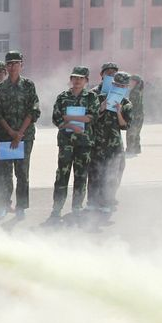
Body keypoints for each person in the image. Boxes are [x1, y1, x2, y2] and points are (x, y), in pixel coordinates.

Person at [0, 51, 40, 220]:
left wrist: (20, 133)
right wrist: (11, 132)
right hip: (6, 137)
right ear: (6, 67)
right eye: (9, 64)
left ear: (22, 65)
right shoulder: (0, 88)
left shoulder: (28, 85)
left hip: (24, 137)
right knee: (5, 174)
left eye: (16, 63)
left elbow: (33, 110)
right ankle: (5, 203)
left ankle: (21, 206)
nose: (12, 67)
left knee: (22, 173)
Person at [47, 66, 100, 223]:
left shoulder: (91, 97)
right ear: (70, 79)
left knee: (81, 175)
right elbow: (56, 118)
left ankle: (77, 207)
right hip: (66, 142)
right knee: (62, 175)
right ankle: (57, 207)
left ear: (86, 81)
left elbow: (93, 116)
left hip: (84, 142)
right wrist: (71, 125)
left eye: (81, 78)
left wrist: (68, 118)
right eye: (74, 78)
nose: (77, 81)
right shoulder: (62, 97)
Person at [88, 72, 133, 214]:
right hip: (97, 142)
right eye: (116, 84)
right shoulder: (99, 98)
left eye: (122, 86)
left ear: (126, 87)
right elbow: (91, 119)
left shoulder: (126, 104)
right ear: (112, 84)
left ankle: (107, 201)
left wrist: (119, 112)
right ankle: (92, 201)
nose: (119, 87)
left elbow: (125, 126)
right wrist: (101, 108)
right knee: (95, 172)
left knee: (112, 174)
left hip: (114, 145)